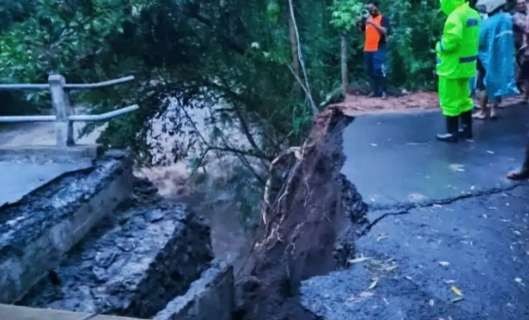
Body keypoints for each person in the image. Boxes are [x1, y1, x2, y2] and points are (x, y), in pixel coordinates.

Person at [435, 0, 481, 142]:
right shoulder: (473, 14)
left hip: (452, 67)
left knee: (450, 99)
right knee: (464, 98)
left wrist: (440, 46)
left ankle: (452, 133)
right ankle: (467, 130)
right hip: (467, 65)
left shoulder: (455, 16)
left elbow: (452, 41)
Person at [473, 0, 518, 120]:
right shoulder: (507, 19)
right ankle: (493, 110)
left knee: (482, 84)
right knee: (495, 82)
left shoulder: (487, 23)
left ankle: (483, 111)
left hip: (487, 58)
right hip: (503, 58)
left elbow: (479, 41)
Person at [360, 1, 389, 99]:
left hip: (379, 47)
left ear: (376, 7)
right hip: (368, 48)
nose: (370, 10)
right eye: (368, 9)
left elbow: (385, 31)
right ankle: (375, 91)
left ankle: (384, 91)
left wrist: (372, 23)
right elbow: (362, 30)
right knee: (369, 70)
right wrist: (360, 22)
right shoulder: (367, 19)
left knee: (379, 69)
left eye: (371, 8)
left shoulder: (383, 18)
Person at [513, 0, 529, 103]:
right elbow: (524, 27)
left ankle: (525, 95)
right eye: (520, 3)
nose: (522, 5)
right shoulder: (515, 16)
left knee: (525, 72)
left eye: (524, 2)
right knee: (524, 71)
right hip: (522, 48)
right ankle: (524, 94)